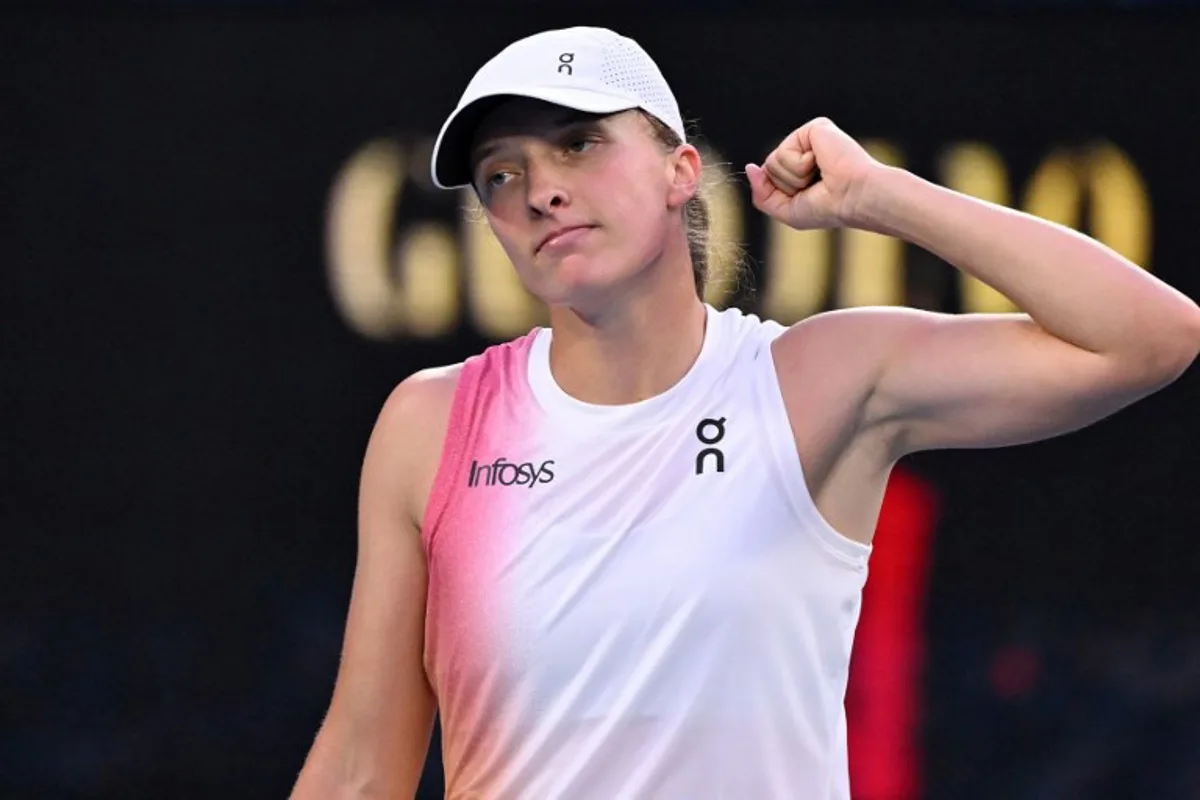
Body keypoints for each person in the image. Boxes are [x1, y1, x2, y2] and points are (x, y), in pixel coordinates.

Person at [291, 26, 1200, 800]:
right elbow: (362, 768)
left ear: (683, 170)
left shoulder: (813, 380)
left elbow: (1151, 338)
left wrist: (883, 197)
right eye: (500, 174)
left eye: (578, 144)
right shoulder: (432, 422)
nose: (538, 190)